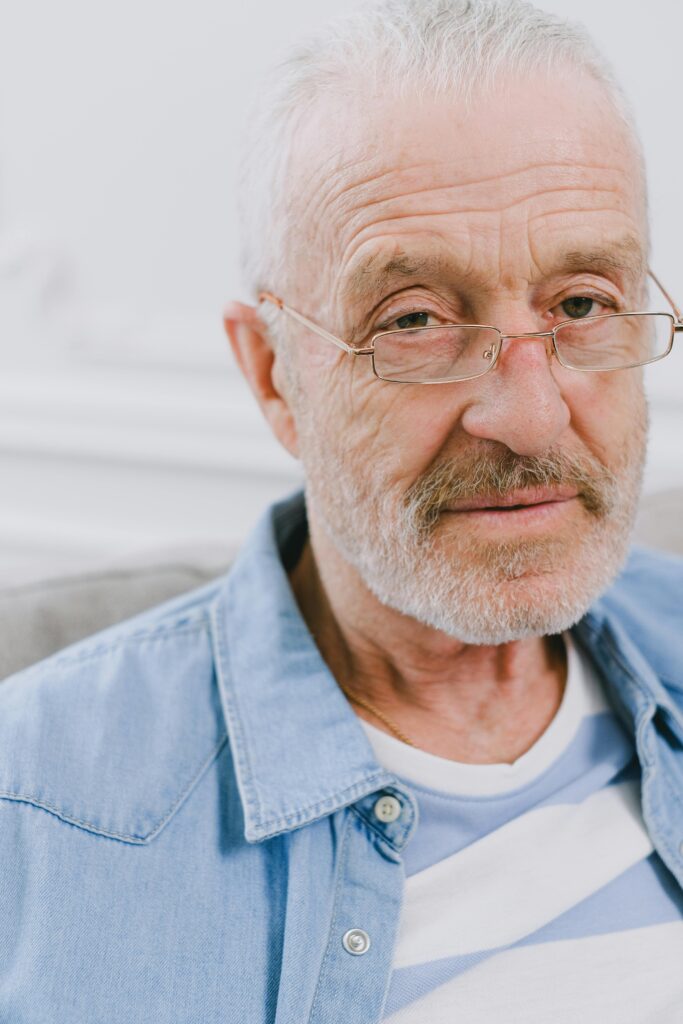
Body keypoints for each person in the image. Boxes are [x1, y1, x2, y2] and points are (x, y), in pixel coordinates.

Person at [1, 0, 682, 1020]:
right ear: (272, 372)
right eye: (412, 321)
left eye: (580, 303)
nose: (531, 416)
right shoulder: (35, 809)